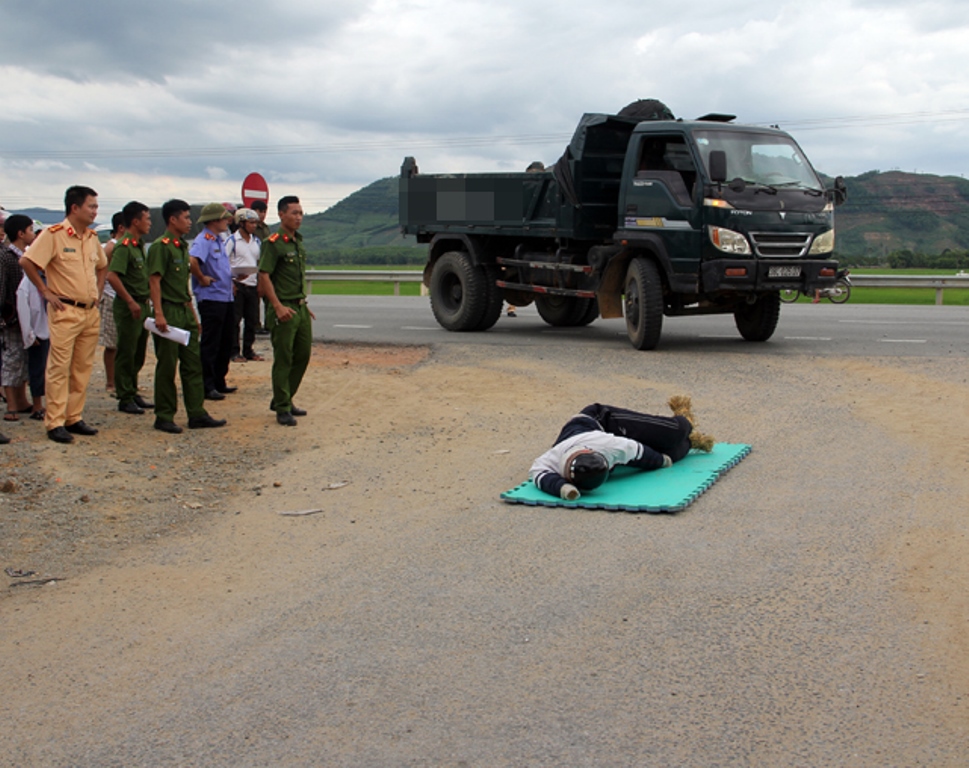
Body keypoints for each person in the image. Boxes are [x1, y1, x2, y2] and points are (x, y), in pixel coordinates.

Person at [19, 185, 108, 444]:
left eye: (96, 206)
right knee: (59, 367)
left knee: (82, 367)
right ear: (75, 208)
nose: (95, 211)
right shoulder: (53, 235)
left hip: (89, 310)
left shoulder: (91, 238)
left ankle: (73, 417)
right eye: (91, 206)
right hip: (65, 310)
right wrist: (45, 290)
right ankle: (55, 421)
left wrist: (99, 291)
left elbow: (102, 266)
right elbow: (27, 261)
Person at [529, 397, 714, 500]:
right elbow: (539, 475)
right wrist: (564, 488)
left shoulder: (609, 445)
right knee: (673, 453)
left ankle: (685, 419)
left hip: (604, 421)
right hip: (598, 444)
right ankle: (694, 442)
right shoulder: (553, 461)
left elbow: (639, 452)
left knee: (672, 436)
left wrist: (661, 461)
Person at [147, 199, 226, 434]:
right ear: (173, 219)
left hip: (184, 309)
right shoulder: (161, 247)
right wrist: (159, 313)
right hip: (169, 311)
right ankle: (164, 415)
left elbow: (184, 287)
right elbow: (155, 281)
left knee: (192, 364)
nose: (189, 222)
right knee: (168, 365)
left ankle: (196, 412)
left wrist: (193, 315)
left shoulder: (182, 246)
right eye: (186, 217)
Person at [258, 195, 315, 426]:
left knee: (302, 355)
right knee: (283, 358)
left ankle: (285, 396)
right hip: (283, 308)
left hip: (300, 307)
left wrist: (304, 304)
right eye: (294, 213)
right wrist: (277, 306)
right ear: (281, 214)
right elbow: (263, 275)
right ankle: (282, 407)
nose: (298, 217)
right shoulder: (273, 243)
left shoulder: (297, 241)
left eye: (301, 213)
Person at [107, 201, 154, 415]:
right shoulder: (124, 246)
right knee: (126, 351)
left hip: (143, 304)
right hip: (130, 306)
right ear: (135, 221)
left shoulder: (139, 245)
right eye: (147, 219)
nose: (150, 223)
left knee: (138, 352)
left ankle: (132, 390)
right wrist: (130, 301)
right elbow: (112, 275)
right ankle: (124, 396)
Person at [189, 203, 236, 401]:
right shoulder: (205, 239)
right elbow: (193, 261)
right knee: (211, 343)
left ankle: (219, 380)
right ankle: (207, 385)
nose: (227, 221)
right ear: (215, 220)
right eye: (225, 218)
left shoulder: (219, 239)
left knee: (226, 341)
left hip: (225, 296)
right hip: (211, 298)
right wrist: (201, 278)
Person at [1, 215, 34, 424]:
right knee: (11, 360)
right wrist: (5, 317)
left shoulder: (24, 256)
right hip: (10, 318)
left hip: (24, 317)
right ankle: (11, 403)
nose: (33, 233)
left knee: (22, 359)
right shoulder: (5, 257)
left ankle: (21, 400)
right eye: (30, 230)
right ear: (21, 234)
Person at [16, 233, 49, 423]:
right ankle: (37, 404)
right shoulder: (28, 283)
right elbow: (24, 309)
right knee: (37, 369)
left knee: (50, 369)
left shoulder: (50, 278)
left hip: (52, 330)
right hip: (37, 332)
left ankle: (49, 402)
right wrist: (29, 335)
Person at [226, 208, 263, 362]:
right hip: (238, 284)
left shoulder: (257, 242)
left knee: (252, 319)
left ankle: (249, 349)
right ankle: (234, 351)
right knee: (235, 320)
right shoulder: (232, 241)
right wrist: (230, 282)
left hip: (252, 283)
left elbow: (260, 262)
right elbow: (224, 263)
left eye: (255, 223)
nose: (253, 226)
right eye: (250, 222)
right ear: (241, 223)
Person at [98, 212, 124, 395]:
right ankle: (110, 382)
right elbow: (103, 273)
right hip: (110, 297)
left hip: (122, 299)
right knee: (112, 343)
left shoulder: (127, 246)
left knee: (125, 343)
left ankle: (123, 380)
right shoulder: (111, 248)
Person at [250, 199, 271, 336]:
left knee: (268, 295)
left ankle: (269, 323)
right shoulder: (251, 229)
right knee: (254, 299)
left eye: (264, 212)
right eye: (259, 211)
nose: (262, 215)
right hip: (253, 265)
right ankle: (255, 325)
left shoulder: (265, 228)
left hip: (265, 264)